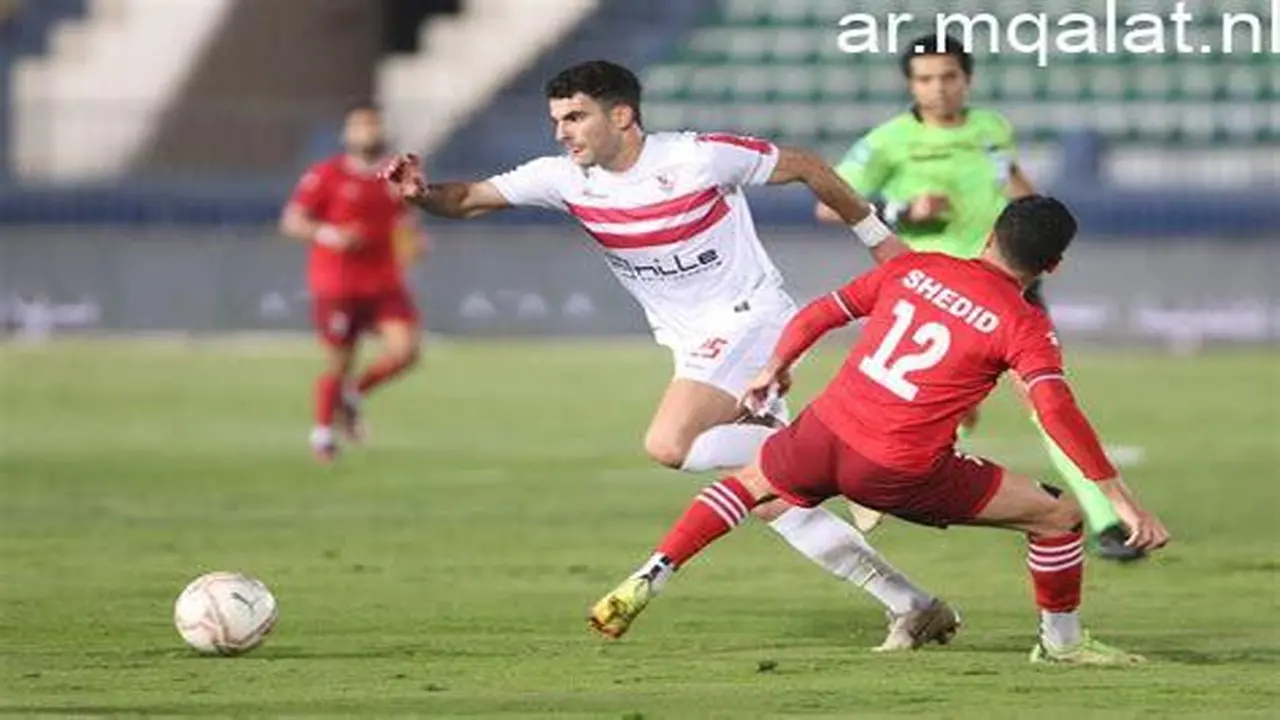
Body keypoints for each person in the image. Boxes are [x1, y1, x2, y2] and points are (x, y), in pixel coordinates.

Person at [382, 60, 957, 650]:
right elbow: (471, 197)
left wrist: (883, 244)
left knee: (668, 443)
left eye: (576, 117)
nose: (563, 132)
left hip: (751, 317)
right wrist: (421, 195)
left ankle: (836, 457)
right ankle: (914, 605)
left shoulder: (698, 158)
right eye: (557, 120)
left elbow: (807, 165)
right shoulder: (563, 179)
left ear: (622, 115)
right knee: (771, 497)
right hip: (692, 343)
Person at [588, 196, 1170, 665]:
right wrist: (1118, 500)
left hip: (824, 432)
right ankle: (1063, 645)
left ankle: (653, 572)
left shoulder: (915, 267)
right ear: (1053, 266)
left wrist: (775, 367)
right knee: (1060, 516)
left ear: (989, 235)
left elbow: (822, 311)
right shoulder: (1025, 325)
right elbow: (1057, 413)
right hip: (899, 467)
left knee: (750, 482)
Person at [815, 35, 1141, 562]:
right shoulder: (887, 141)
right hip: (942, 297)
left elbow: (1016, 186)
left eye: (948, 77)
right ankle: (928, 443)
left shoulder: (992, 128)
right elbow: (831, 207)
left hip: (1010, 289)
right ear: (910, 84)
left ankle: (1103, 519)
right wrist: (900, 209)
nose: (937, 89)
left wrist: (1042, 230)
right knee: (947, 406)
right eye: (925, 79)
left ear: (967, 79)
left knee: (1045, 399)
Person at [280, 101, 426, 463]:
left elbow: (404, 224)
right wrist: (331, 235)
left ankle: (351, 396)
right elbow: (293, 220)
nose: (367, 132)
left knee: (405, 352)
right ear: (347, 133)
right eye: (359, 125)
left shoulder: (393, 178)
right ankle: (323, 435)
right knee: (339, 363)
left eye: (372, 125)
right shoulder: (326, 175)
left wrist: (414, 242)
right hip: (338, 285)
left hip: (384, 284)